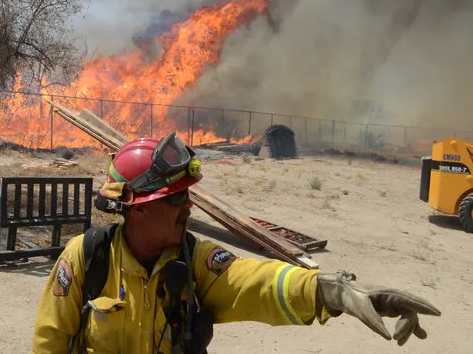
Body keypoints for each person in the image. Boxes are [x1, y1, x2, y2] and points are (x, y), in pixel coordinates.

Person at [32, 132, 441, 354]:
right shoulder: (87, 260)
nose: (188, 207)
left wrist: (330, 291)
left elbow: (256, 282)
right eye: (176, 199)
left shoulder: (195, 262)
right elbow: (49, 343)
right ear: (137, 210)